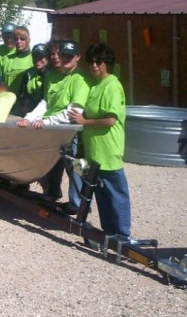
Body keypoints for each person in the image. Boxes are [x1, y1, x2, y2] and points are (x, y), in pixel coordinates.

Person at [68, 42, 131, 238]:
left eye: (99, 62)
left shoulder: (113, 85)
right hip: (93, 152)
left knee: (116, 194)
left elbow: (111, 119)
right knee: (101, 194)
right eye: (92, 62)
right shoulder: (94, 85)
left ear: (107, 63)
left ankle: (122, 233)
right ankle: (109, 232)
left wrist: (84, 121)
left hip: (108, 151)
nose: (95, 65)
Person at [17, 40, 90, 209]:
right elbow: (45, 103)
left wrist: (47, 121)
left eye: (68, 56)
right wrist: (29, 118)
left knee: (77, 166)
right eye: (61, 54)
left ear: (77, 57)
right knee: (53, 163)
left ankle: (78, 203)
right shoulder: (51, 75)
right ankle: (52, 193)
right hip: (51, 129)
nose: (63, 58)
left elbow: (73, 111)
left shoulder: (80, 78)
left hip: (71, 130)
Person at [1, 26, 33, 115]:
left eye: (22, 39)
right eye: (16, 39)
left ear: (28, 40)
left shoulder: (32, 59)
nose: (19, 42)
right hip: (8, 102)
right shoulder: (7, 59)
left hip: (24, 104)